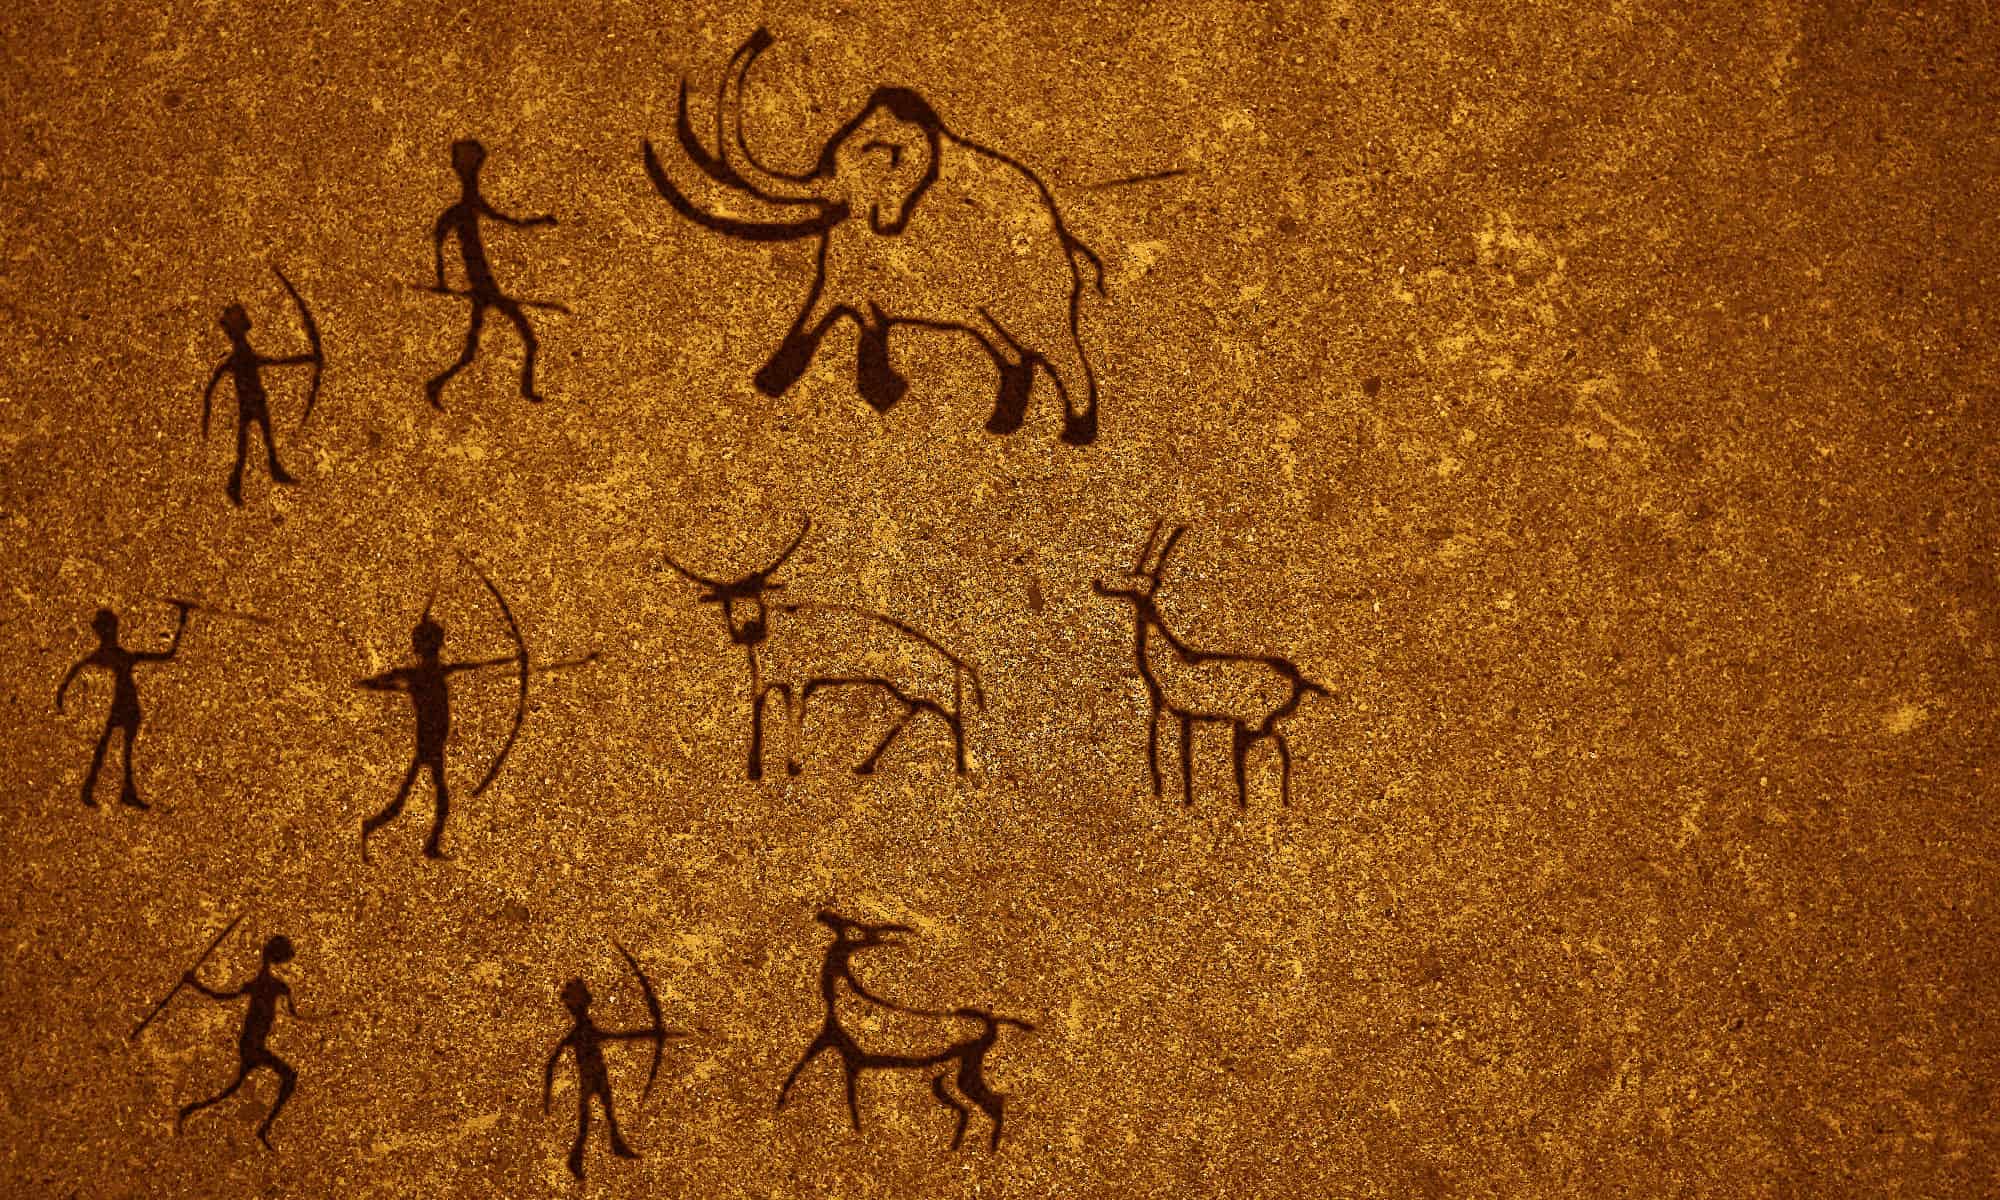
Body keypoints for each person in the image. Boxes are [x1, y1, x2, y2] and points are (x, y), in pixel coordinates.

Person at [355, 611, 513, 859]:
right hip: (429, 744)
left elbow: (474, 665)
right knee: (425, 801)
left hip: (433, 742)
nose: (436, 651)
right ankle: (375, 830)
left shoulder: (427, 673)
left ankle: (400, 836)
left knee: (416, 799)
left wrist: (510, 660)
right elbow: (375, 682)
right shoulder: (419, 675)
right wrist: (392, 685)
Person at [425, 138, 562, 405]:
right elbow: (441, 238)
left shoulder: (468, 207)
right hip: (483, 288)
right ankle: (440, 384)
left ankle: (439, 383)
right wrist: (441, 280)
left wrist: (539, 221)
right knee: (520, 340)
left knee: (480, 348)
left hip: (487, 287)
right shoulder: (461, 210)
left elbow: (510, 222)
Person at [55, 604, 188, 808]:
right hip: (122, 706)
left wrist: (181, 621)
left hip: (128, 706)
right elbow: (75, 672)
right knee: (111, 748)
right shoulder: (115, 656)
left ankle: (111, 791)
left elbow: (166, 654)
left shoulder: (118, 655)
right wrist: (62, 695)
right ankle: (97, 790)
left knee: (118, 750)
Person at [176, 935, 300, 1150]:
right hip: (252, 1044)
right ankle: (263, 1128)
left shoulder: (277, 986)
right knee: (287, 1077)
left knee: (233, 1089)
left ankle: (190, 1109)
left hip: (254, 1043)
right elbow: (222, 997)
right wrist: (195, 984)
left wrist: (326, 1016)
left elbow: (296, 1015)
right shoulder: (264, 984)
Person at [201, 303, 311, 505]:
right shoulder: (238, 356)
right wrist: (207, 413)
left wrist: (301, 359)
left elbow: (269, 362)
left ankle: (267, 471)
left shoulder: (241, 354)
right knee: (248, 445)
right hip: (251, 402)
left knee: (259, 441)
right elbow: (213, 386)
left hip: (255, 401)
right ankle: (236, 483)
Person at [543, 978, 653, 1179]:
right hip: (591, 1077)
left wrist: (647, 1034)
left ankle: (613, 1146)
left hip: (596, 1076)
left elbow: (616, 1037)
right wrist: (547, 1094)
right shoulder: (579, 1032)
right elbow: (552, 1061)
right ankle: (577, 1159)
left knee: (605, 1115)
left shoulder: (583, 1030)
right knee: (589, 1120)